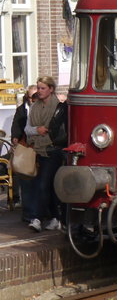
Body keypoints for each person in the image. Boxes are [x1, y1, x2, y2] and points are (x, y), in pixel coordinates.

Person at [15, 76, 68, 232]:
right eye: (38, 88)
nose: (39, 91)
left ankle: (36, 218)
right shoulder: (34, 107)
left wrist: (42, 132)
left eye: (43, 88)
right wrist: (37, 130)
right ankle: (56, 218)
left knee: (42, 184)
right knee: (49, 186)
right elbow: (27, 128)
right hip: (37, 149)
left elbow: (57, 130)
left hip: (53, 150)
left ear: (51, 89)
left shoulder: (58, 107)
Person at [9, 85, 38, 223]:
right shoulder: (22, 110)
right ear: (27, 97)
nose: (34, 99)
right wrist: (15, 137)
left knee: (40, 182)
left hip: (40, 148)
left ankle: (39, 212)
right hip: (26, 146)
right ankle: (27, 212)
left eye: (36, 96)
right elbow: (17, 126)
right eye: (32, 97)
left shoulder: (41, 109)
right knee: (24, 176)